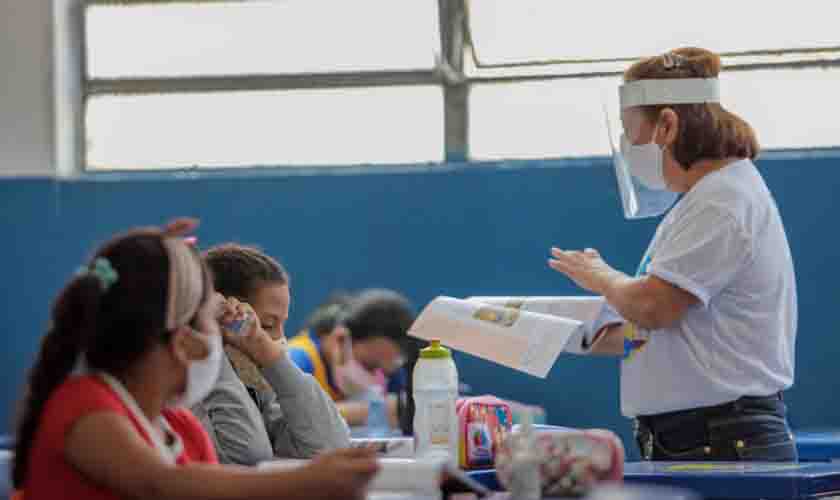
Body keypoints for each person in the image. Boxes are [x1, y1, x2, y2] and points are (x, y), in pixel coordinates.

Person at [12, 218, 377, 500]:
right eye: (210, 321)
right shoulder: (87, 407)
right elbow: (161, 484)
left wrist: (265, 351)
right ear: (183, 337)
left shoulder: (178, 425)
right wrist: (305, 481)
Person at [549, 48, 797, 462]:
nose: (628, 147)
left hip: (719, 440)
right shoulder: (705, 200)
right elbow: (654, 329)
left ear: (667, 124)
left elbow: (653, 307)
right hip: (695, 438)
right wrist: (544, 332)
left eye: (631, 131)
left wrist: (601, 276)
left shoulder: (721, 202)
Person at [194, 243, 350, 465]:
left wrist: (272, 358)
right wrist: (210, 342)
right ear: (221, 318)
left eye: (282, 324)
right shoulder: (187, 392)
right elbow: (246, 456)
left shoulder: (256, 386)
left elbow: (331, 445)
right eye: (267, 325)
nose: (275, 340)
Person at [289, 289, 421, 430]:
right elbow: (286, 416)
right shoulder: (297, 360)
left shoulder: (391, 371)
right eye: (369, 367)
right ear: (340, 339)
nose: (373, 383)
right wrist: (372, 412)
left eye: (381, 371)